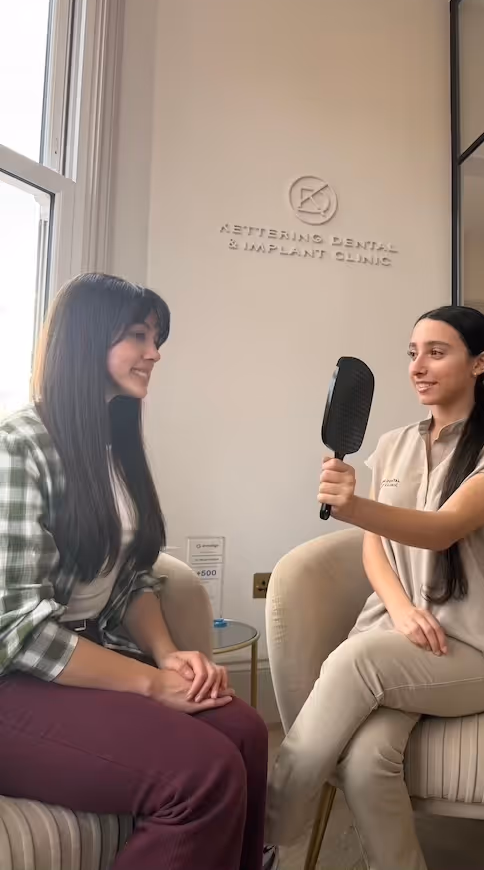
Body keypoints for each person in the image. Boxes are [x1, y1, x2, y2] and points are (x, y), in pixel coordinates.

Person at [0, 273, 275, 870]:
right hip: (15, 679)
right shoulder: (16, 447)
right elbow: (15, 626)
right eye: (137, 335)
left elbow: (130, 579)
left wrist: (168, 654)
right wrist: (150, 684)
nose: (155, 352)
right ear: (85, 340)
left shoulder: (111, 444)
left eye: (157, 338)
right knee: (203, 775)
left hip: (80, 657)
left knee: (247, 734)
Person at [266, 305, 484, 870]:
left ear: (481, 362)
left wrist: (356, 507)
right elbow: (376, 541)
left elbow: (445, 528)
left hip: (479, 652)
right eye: (413, 353)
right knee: (369, 758)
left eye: (436, 352)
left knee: (355, 663)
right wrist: (398, 609)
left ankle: (263, 835)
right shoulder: (394, 444)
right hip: (403, 639)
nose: (418, 366)